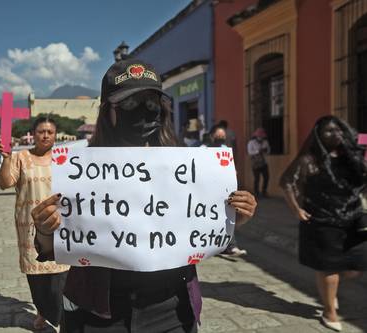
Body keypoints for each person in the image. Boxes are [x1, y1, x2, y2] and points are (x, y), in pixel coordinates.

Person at [31, 59, 257, 332]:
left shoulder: (186, 165)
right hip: (96, 309)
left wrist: (233, 219)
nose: (142, 112)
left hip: (171, 309)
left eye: (151, 103)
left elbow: (202, 230)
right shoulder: (79, 168)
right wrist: (45, 228)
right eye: (129, 104)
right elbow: (50, 247)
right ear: (107, 111)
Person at [280, 116, 367, 332]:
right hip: (322, 220)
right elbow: (287, 181)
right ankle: (329, 312)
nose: (334, 134)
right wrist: (295, 209)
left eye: (338, 130)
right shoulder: (309, 160)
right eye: (328, 131)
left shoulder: (351, 156)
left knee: (357, 267)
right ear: (318, 135)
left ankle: (329, 293)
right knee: (329, 268)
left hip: (353, 218)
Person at [0, 117, 69, 331]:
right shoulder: (20, 157)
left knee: (60, 275)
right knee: (36, 275)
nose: (46, 135)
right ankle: (42, 311)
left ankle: (58, 317)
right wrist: (6, 159)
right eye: (41, 131)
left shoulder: (63, 158)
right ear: (33, 134)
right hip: (29, 225)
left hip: (60, 224)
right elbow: (4, 183)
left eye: (50, 132)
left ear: (56, 135)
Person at [204, 125, 248, 257]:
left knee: (227, 216)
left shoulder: (225, 150)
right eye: (218, 136)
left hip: (223, 190)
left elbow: (230, 165)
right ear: (211, 136)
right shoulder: (202, 150)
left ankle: (231, 246)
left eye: (223, 136)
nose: (221, 138)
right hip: (207, 191)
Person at [247, 128, 270, 197]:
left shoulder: (265, 142)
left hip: (264, 162)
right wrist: (258, 151)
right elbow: (250, 152)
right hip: (255, 163)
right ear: (256, 136)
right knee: (257, 178)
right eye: (259, 136)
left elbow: (268, 151)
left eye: (261, 136)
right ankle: (256, 192)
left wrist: (265, 150)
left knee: (266, 177)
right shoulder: (251, 143)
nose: (260, 138)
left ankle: (264, 191)